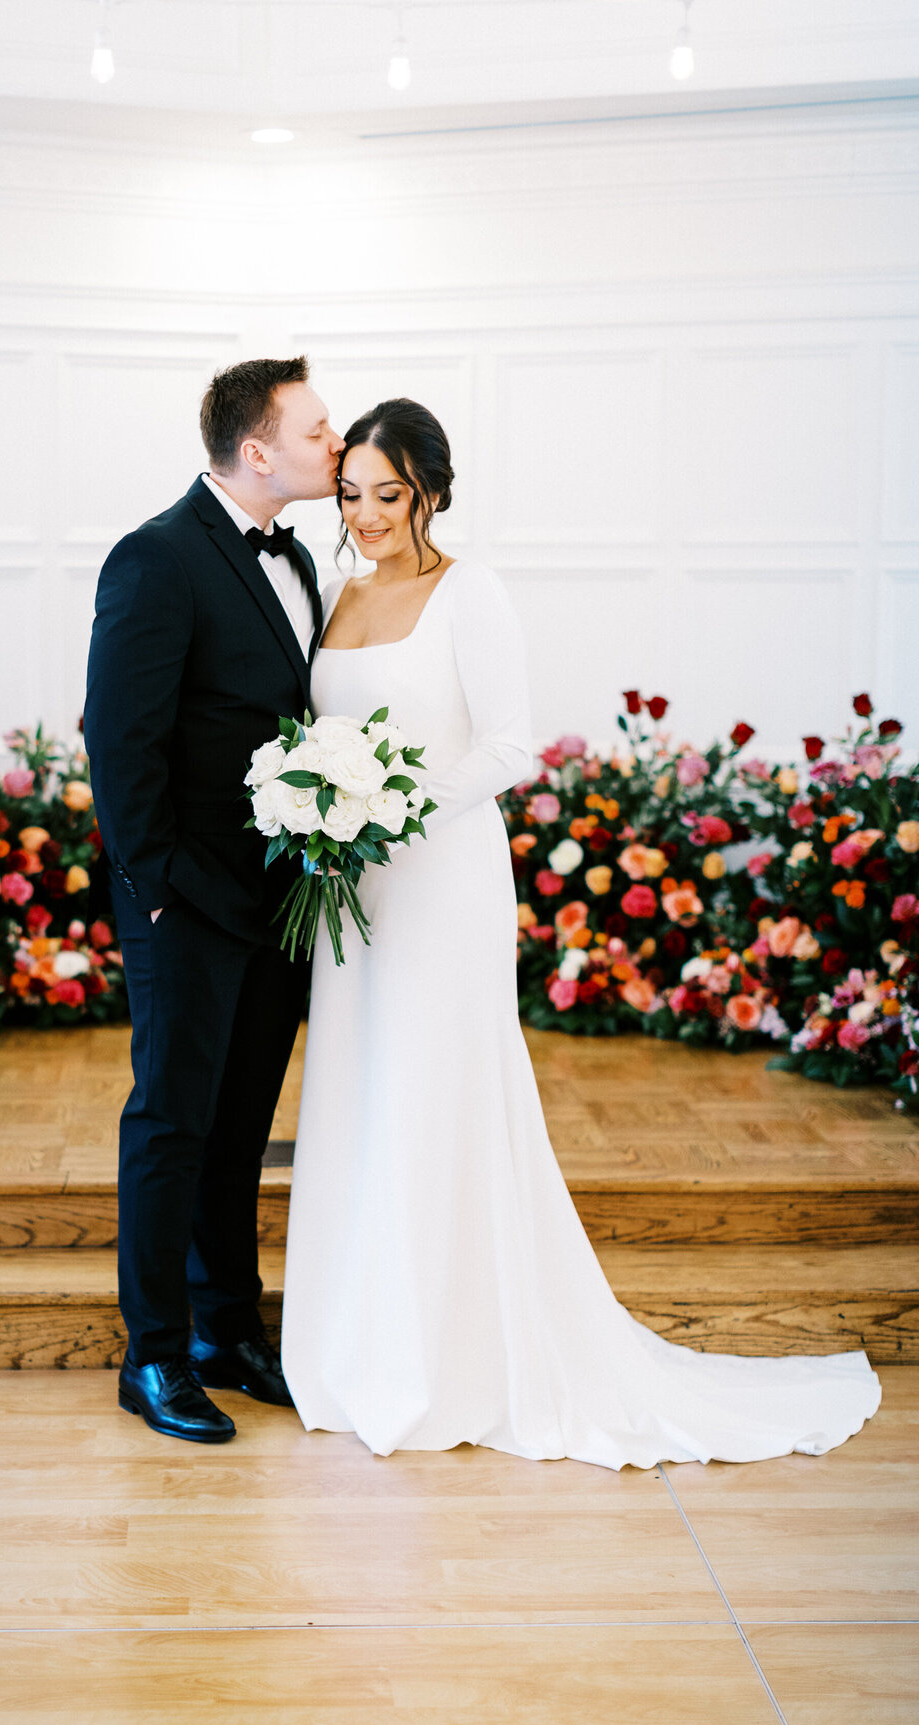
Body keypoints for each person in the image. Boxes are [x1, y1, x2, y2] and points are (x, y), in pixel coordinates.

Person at [280, 397, 882, 1469]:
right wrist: (327, 812)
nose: (367, 515)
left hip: (441, 879)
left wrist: (394, 812)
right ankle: (355, 1347)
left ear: (429, 490)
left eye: (388, 495)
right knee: (361, 1090)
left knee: (436, 1088)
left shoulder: (471, 594)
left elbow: (510, 748)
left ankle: (451, 1357)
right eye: (352, 495)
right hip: (356, 893)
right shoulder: (336, 590)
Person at [84, 357, 344, 1443]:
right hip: (185, 905)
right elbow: (119, 738)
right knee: (172, 1124)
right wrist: (154, 896)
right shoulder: (155, 558)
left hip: (274, 905)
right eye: (319, 431)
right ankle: (151, 1356)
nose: (335, 445)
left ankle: (223, 1329)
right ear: (257, 451)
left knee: (239, 1128)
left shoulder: (303, 560)